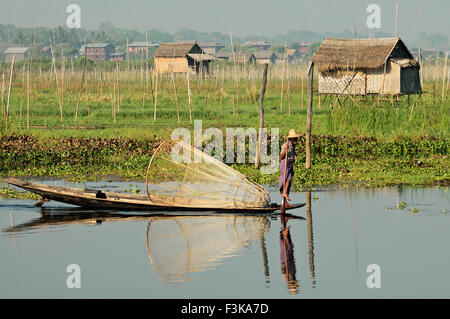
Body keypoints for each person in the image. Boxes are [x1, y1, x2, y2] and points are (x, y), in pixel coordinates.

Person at [279, 129, 299, 208]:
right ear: (292, 138)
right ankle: (284, 193)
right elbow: (281, 157)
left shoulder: (293, 145)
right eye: (295, 138)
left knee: (289, 181)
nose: (296, 139)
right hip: (285, 164)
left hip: (290, 164)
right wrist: (285, 150)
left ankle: (285, 202)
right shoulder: (285, 145)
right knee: (287, 179)